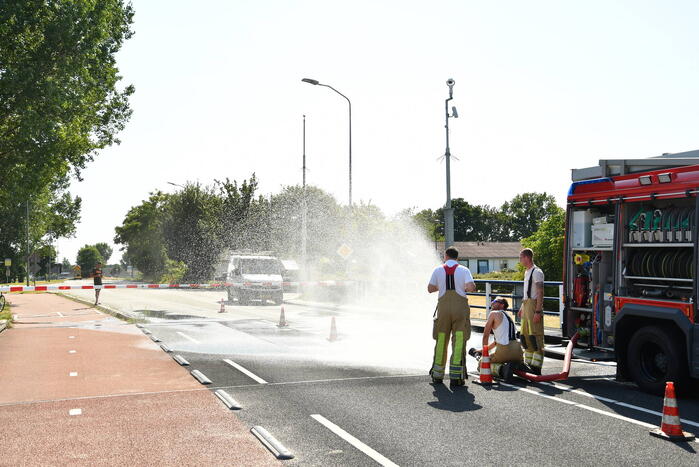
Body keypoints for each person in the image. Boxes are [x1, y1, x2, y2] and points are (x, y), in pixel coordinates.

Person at [427, 246, 476, 387]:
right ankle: (456, 377)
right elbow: (471, 287)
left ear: (445, 256)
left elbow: (430, 289)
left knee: (441, 339)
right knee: (459, 340)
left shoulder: (437, 270)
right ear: (457, 258)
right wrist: (461, 286)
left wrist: (442, 286)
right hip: (460, 308)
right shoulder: (464, 270)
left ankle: (437, 375)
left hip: (443, 308)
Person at [469, 297, 522, 382]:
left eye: (495, 301)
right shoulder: (509, 317)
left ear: (502, 305)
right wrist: (481, 350)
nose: (492, 303)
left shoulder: (493, 314)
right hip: (518, 351)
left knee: (482, 364)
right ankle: (518, 365)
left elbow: (486, 335)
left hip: (505, 351)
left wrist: (484, 356)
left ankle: (502, 370)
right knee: (505, 358)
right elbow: (497, 342)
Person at [518, 248, 545, 374]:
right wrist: (522, 308)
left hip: (534, 306)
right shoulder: (527, 272)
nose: (520, 260)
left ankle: (536, 367)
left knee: (536, 335)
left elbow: (540, 292)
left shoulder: (536, 272)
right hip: (526, 305)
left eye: (521, 257)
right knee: (525, 335)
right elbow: (527, 292)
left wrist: (538, 311)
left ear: (527, 257)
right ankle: (528, 363)